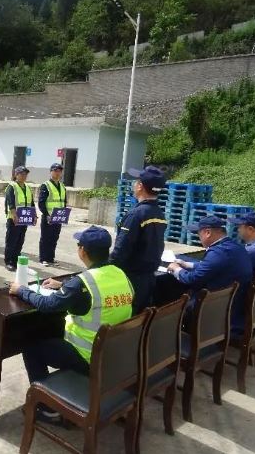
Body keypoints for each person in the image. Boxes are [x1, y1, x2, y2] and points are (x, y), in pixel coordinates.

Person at [9, 226, 133, 421]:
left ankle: (47, 407)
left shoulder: (82, 283)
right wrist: (64, 285)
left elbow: (48, 304)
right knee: (49, 331)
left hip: (88, 357)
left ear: (82, 251)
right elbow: (95, 288)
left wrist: (22, 290)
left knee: (31, 346)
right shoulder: (120, 274)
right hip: (114, 354)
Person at [167, 216, 252, 333]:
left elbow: (192, 279)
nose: (198, 237)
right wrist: (188, 264)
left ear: (207, 233)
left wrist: (176, 269)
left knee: (173, 297)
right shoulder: (234, 246)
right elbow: (214, 266)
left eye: (199, 234)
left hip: (215, 308)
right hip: (234, 302)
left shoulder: (218, 252)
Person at [110, 166, 167, 314]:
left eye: (136, 181)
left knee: (129, 317)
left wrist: (104, 271)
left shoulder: (136, 215)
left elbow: (121, 250)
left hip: (130, 280)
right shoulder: (159, 214)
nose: (134, 184)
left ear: (140, 186)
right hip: (149, 278)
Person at [4, 166, 37, 271]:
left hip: (24, 218)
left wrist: (34, 215)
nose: (24, 176)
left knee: (20, 241)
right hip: (14, 219)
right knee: (11, 241)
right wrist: (14, 215)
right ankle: (9, 261)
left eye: (25, 174)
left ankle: (15, 261)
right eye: (21, 174)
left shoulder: (27, 187)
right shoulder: (11, 187)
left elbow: (31, 203)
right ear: (16, 175)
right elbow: (11, 203)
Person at [38, 163, 67, 266]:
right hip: (48, 217)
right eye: (55, 171)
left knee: (54, 238)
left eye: (59, 171)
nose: (57, 173)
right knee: (45, 238)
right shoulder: (45, 185)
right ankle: (43, 258)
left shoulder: (62, 186)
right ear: (51, 172)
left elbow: (64, 201)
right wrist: (46, 214)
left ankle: (50, 258)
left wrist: (63, 214)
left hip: (58, 217)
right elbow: (41, 203)